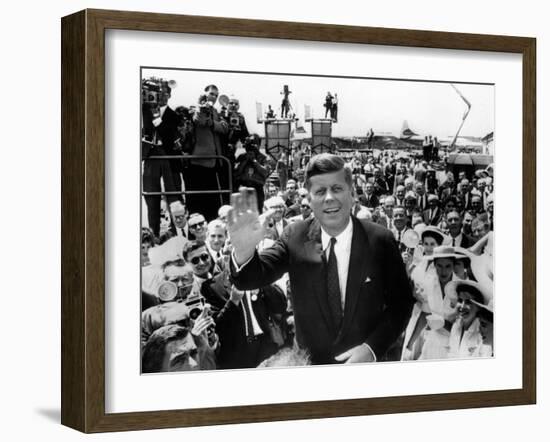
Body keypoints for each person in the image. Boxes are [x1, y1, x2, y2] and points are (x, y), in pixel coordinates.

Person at [229, 153, 414, 364]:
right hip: (310, 366)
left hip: (365, 367)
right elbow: (251, 278)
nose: (329, 198)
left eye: (337, 188)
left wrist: (371, 349)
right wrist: (243, 251)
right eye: (320, 191)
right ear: (308, 199)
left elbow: (401, 304)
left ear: (352, 194)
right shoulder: (294, 236)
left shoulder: (380, 240)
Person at [186, 84, 229, 221]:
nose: (214, 97)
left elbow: (224, 127)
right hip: (199, 161)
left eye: (216, 95)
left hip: (214, 161)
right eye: (211, 94)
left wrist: (212, 123)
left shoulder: (216, 112)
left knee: (213, 201)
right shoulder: (194, 108)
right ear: (204, 93)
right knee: (197, 202)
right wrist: (201, 106)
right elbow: (199, 120)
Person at [234, 134, 269, 212]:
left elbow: (265, 172)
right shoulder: (241, 157)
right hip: (243, 188)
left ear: (259, 145)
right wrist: (245, 161)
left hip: (257, 189)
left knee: (258, 211)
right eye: (249, 144)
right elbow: (236, 173)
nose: (251, 147)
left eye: (253, 144)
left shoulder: (263, 158)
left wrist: (254, 161)